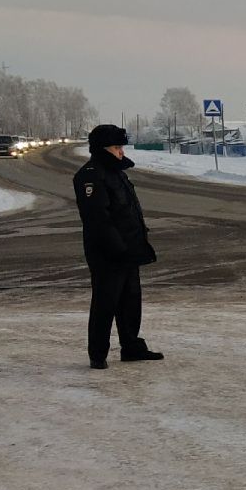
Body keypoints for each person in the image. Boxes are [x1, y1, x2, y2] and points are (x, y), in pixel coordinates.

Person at [73, 124, 161, 370]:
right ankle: (98, 354)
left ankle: (131, 347)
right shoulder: (90, 175)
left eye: (121, 147)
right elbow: (98, 219)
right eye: (116, 147)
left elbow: (128, 211)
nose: (121, 152)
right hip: (108, 254)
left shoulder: (116, 172)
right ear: (103, 149)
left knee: (131, 302)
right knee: (105, 303)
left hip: (129, 250)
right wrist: (117, 248)